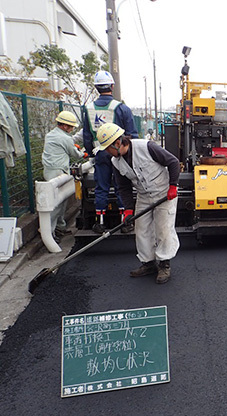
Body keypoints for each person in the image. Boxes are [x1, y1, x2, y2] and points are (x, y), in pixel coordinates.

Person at [96, 123, 180, 284]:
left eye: (108, 148)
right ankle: (148, 263)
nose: (107, 152)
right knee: (141, 229)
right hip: (144, 195)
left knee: (163, 229)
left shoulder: (146, 147)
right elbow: (123, 187)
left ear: (118, 142)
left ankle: (164, 264)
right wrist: (128, 210)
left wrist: (173, 186)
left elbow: (173, 162)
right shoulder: (116, 161)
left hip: (164, 193)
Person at [83, 70, 139, 234]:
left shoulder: (88, 109)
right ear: (112, 86)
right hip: (119, 153)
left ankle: (99, 222)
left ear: (96, 88)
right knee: (122, 186)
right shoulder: (121, 108)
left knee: (102, 187)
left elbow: (87, 135)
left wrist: (91, 153)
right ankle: (125, 222)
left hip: (100, 152)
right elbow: (133, 134)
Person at [42, 111, 87, 242]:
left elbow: (64, 147)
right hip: (58, 171)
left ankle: (60, 227)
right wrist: (83, 154)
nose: (72, 129)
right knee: (57, 203)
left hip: (50, 170)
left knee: (61, 200)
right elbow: (74, 153)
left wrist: (73, 147)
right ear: (65, 126)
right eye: (71, 127)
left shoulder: (50, 135)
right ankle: (49, 232)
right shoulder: (65, 138)